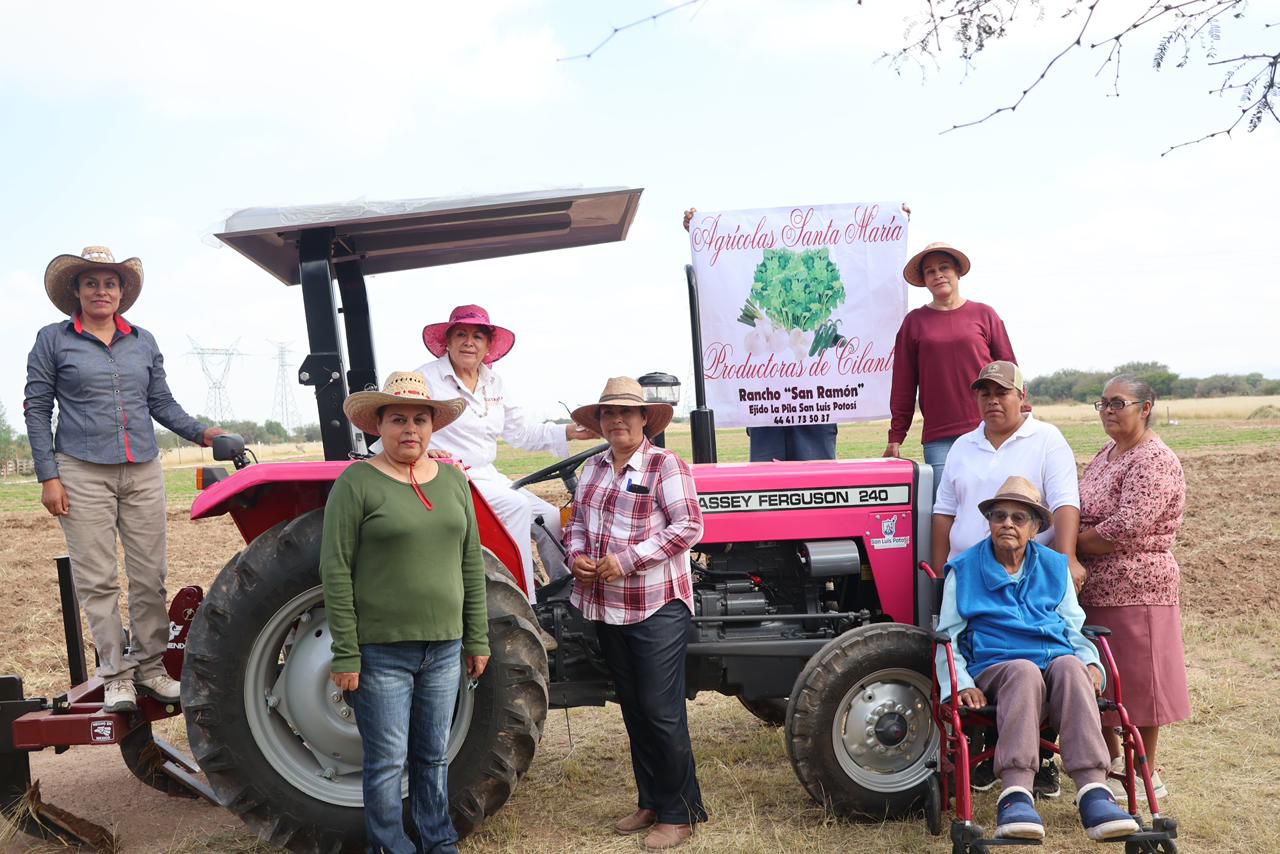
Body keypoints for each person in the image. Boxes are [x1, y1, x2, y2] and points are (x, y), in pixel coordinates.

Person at [24, 246, 224, 714]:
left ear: (122, 292)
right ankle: (115, 676)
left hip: (142, 469)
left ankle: (151, 669)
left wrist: (206, 433)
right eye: (91, 282)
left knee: (150, 576)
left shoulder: (143, 341)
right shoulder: (53, 340)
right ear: (76, 290)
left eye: (109, 283)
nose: (101, 290)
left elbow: (162, 403)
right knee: (97, 579)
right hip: (79, 468)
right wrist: (48, 477)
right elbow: (37, 409)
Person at [321, 370, 490, 854]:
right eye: (398, 419)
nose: (410, 429)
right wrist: (346, 652)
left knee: (433, 757)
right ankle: (390, 846)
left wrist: (476, 638)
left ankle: (438, 841)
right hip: (381, 653)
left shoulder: (454, 483)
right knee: (387, 761)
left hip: (444, 647)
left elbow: (470, 564)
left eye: (420, 418)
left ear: (433, 425)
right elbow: (336, 570)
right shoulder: (356, 484)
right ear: (379, 425)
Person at [934, 476, 1140, 843]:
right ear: (990, 523)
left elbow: (1075, 627)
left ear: (1035, 528)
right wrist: (961, 684)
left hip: (1055, 656)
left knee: (1072, 667)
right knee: (1025, 671)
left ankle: (1094, 791)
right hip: (998, 664)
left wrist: (1091, 662)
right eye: (999, 516)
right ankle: (1015, 794)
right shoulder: (964, 570)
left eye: (1018, 517)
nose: (1008, 524)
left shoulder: (1054, 566)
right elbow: (946, 637)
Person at [565, 377, 707, 852]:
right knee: (634, 709)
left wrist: (627, 559)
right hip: (607, 606)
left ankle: (680, 812)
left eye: (627, 412)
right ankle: (651, 799)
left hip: (655, 604)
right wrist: (577, 558)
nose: (618, 420)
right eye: (609, 413)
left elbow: (689, 525)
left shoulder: (666, 465)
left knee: (660, 711)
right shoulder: (592, 469)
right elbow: (579, 526)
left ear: (645, 419)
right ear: (600, 421)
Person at [931, 359, 1083, 797]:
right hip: (971, 570)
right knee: (994, 650)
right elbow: (944, 512)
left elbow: (1064, 502)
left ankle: (1042, 760)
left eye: (1001, 392)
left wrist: (1066, 557)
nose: (992, 400)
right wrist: (942, 572)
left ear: (1022, 397)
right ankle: (989, 753)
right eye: (984, 392)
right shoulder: (963, 445)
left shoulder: (1046, 439)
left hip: (1029, 568)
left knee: (1038, 650)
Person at [402, 304, 597, 600]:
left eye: (478, 336)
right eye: (461, 334)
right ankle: (525, 604)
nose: (469, 342)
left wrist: (570, 431)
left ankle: (568, 593)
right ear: (448, 341)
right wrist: (425, 453)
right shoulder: (425, 379)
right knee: (516, 508)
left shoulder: (494, 382)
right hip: (447, 478)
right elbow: (399, 426)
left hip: (488, 477)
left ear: (488, 345)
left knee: (549, 517)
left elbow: (521, 432)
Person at [1077, 376, 1191, 801]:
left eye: (1118, 403)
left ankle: (1146, 771)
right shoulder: (1108, 453)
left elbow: (1126, 526)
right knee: (1105, 682)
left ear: (1145, 408)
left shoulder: (1154, 459)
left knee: (1143, 686)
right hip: (1096, 587)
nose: (1108, 410)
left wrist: (1070, 543)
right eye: (1102, 403)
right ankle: (1108, 765)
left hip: (1138, 587)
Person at [682, 207, 835, 462]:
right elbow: (723, 283)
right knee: (769, 492)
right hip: (766, 413)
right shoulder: (760, 317)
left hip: (817, 412)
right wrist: (701, 233)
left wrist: (892, 222)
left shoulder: (816, 314)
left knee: (817, 488)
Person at [884, 241, 1017, 492]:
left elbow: (1010, 370)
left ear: (957, 272)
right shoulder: (914, 322)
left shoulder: (984, 314)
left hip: (989, 427)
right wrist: (896, 436)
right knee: (946, 509)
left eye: (944, 268)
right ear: (924, 280)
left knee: (997, 501)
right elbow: (903, 384)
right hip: (939, 436)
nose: (938, 275)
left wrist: (1022, 411)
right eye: (930, 271)